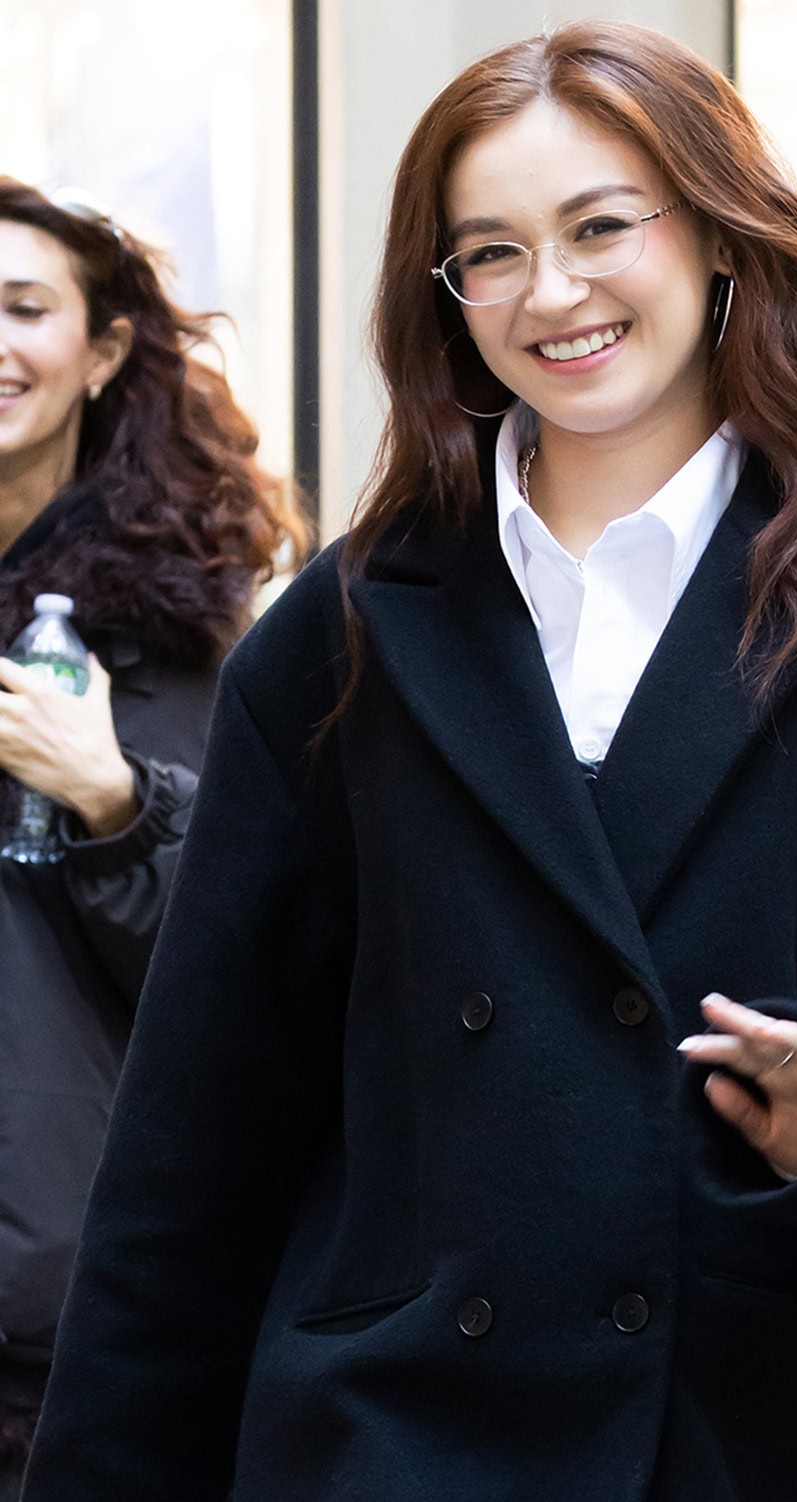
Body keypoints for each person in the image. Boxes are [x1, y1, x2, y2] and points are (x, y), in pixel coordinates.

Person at [21, 27, 797, 1502]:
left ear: (723, 234)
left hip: (773, 1415)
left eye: (602, 226)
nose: (552, 291)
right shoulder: (341, 633)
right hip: (396, 1427)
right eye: (490, 251)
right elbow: (198, 1133)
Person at [0, 178, 305, 1495]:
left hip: (64, 1325)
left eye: (22, 308)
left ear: (105, 348)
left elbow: (255, 972)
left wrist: (114, 799)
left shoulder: (185, 641)